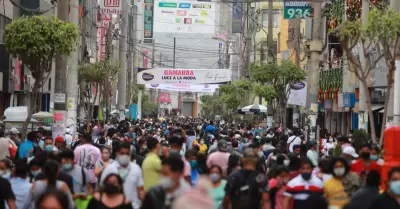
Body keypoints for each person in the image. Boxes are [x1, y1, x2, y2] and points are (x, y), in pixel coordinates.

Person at [101, 143, 144, 209]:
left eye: (127, 153)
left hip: (134, 206)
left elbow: (140, 189)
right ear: (117, 154)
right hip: (114, 206)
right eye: (122, 153)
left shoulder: (136, 168)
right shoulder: (109, 168)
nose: (125, 155)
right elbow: (102, 188)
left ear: (130, 154)